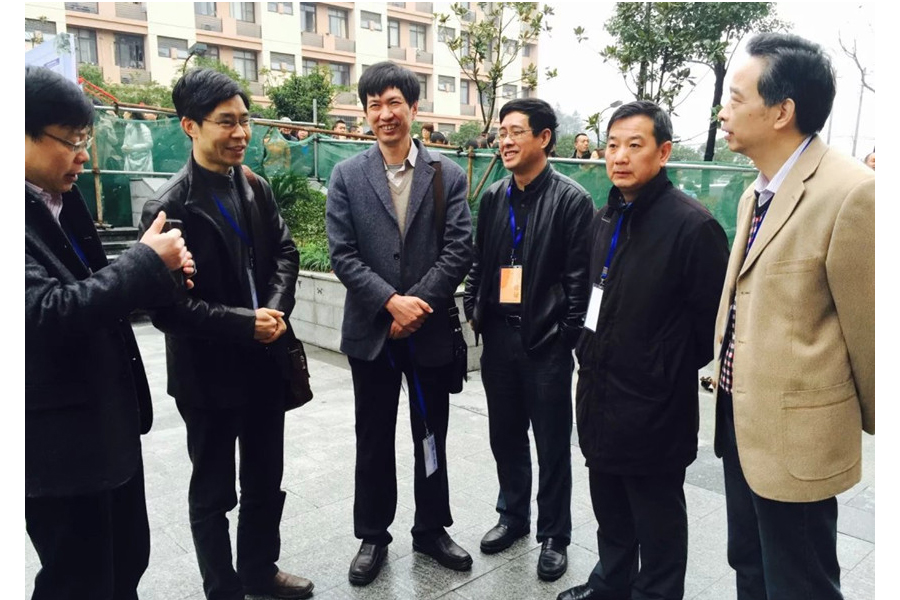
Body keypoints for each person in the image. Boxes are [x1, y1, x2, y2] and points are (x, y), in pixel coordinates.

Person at [139, 68, 314, 600]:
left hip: (264, 363)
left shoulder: (255, 186)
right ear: (190, 126)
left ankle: (260, 570)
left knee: (264, 480)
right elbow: (168, 310)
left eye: (245, 120)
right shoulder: (169, 207)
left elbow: (285, 253)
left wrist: (274, 311)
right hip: (207, 377)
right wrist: (244, 323)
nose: (241, 133)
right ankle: (223, 589)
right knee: (213, 492)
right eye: (226, 122)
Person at [714, 33, 874, 600]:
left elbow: (871, 331)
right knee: (749, 565)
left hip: (797, 438)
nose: (723, 112)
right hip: (740, 420)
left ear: (782, 111)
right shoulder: (754, 192)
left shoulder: (852, 192)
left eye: (736, 99)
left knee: (800, 582)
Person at [25, 65, 193, 600]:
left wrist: (161, 274)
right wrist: (143, 261)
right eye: (72, 141)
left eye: (86, 141)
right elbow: (45, 313)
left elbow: (94, 292)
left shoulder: (58, 199)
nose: (84, 156)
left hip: (105, 427)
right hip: (59, 449)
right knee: (78, 579)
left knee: (125, 562)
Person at [556, 101, 729, 600]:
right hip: (599, 391)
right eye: (612, 145)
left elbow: (711, 326)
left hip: (655, 404)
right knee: (609, 505)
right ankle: (610, 584)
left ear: (664, 152)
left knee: (657, 520)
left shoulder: (692, 226)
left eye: (635, 145)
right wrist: (587, 348)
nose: (620, 156)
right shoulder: (605, 216)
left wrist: (658, 364)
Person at [326, 61, 474, 586]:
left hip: (427, 330)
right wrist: (391, 303)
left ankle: (431, 528)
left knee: (431, 432)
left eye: (394, 103)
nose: (385, 114)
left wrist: (416, 306)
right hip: (372, 332)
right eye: (375, 105)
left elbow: (459, 248)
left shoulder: (447, 174)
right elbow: (342, 254)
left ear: (414, 108)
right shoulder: (347, 175)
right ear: (365, 113)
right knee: (372, 436)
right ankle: (372, 534)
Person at [464, 98, 594, 582]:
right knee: (505, 435)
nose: (505, 141)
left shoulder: (572, 200)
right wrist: (473, 307)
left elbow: (580, 283)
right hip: (499, 339)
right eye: (502, 133)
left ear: (544, 138)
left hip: (546, 345)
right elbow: (480, 262)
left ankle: (555, 534)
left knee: (552, 443)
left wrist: (564, 338)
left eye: (516, 132)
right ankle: (513, 515)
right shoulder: (494, 197)